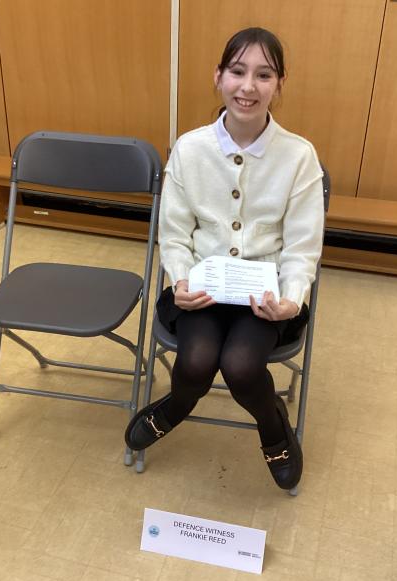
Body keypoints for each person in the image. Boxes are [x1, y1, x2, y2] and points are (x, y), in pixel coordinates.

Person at [125, 27, 324, 490]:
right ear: (218, 77)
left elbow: (302, 247)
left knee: (240, 367)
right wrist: (180, 281)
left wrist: (292, 299)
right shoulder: (190, 148)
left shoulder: (299, 156)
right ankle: (177, 405)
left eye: (264, 75)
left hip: (264, 294)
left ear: (279, 84)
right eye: (237, 72)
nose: (248, 87)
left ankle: (273, 427)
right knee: (195, 363)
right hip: (204, 286)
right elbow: (175, 234)